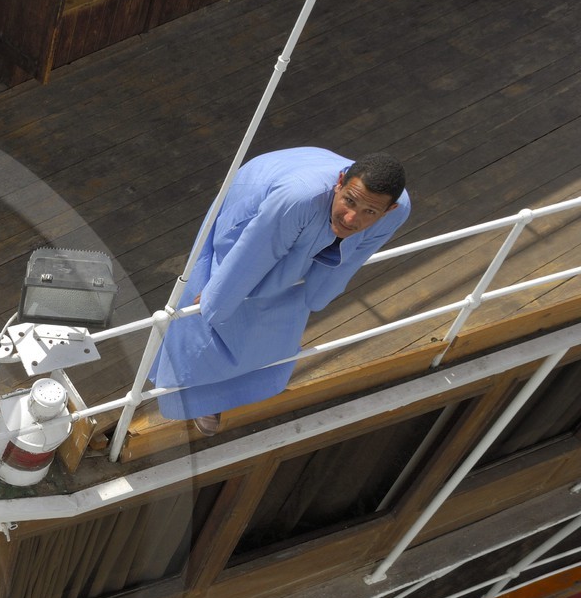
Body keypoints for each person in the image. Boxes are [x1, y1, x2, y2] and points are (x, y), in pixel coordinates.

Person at [153, 147, 410, 434]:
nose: (351, 218)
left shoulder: (399, 211)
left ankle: (238, 389)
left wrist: (319, 294)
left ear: (389, 210)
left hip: (302, 195)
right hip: (262, 195)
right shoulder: (296, 199)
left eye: (369, 212)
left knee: (288, 306)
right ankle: (198, 397)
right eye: (349, 201)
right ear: (339, 182)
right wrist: (216, 298)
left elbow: (349, 259)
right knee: (214, 306)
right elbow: (251, 254)